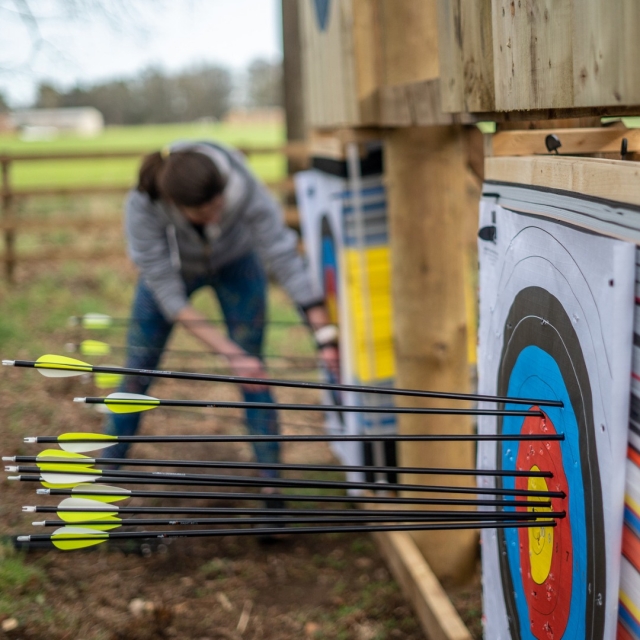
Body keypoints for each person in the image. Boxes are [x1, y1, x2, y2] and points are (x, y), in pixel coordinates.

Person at [102, 141, 339, 491]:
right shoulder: (143, 206)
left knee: (254, 371)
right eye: (202, 213)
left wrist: (324, 338)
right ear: (175, 206)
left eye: (219, 206)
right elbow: (169, 296)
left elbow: (284, 256)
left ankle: (271, 491)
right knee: (137, 370)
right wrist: (230, 354)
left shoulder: (244, 187)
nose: (215, 217)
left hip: (237, 263)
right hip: (173, 273)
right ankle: (106, 476)